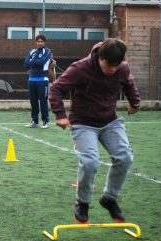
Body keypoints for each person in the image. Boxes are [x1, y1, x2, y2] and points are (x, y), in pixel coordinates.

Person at [49, 38, 141, 224]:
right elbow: (56, 89)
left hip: (109, 122)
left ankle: (109, 198)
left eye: (116, 65)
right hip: (83, 123)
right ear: (101, 57)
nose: (113, 70)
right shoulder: (80, 68)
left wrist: (134, 102)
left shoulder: (122, 68)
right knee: (90, 162)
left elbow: (129, 83)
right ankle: (82, 203)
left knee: (125, 157)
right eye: (109, 65)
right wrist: (60, 114)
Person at [24, 34, 51, 129]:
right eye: (38, 41)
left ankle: (45, 121)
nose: (40, 43)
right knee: (33, 101)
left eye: (41, 41)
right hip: (31, 80)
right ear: (36, 42)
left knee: (43, 101)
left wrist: (33, 62)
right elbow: (26, 64)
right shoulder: (32, 51)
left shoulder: (47, 51)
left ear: (44, 42)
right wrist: (35, 62)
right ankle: (34, 121)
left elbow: (41, 62)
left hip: (42, 80)